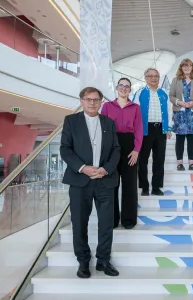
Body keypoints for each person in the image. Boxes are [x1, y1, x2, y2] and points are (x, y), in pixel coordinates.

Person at [60, 87, 121, 279]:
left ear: (101, 101)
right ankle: (83, 261)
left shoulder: (109, 123)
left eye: (96, 99)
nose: (92, 103)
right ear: (81, 101)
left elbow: (116, 150)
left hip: (105, 180)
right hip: (80, 180)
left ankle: (103, 260)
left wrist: (106, 169)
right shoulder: (71, 121)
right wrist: (83, 167)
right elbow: (65, 149)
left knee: (106, 224)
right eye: (88, 99)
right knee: (79, 223)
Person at [100, 78, 143, 229]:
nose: (124, 88)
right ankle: (112, 219)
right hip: (111, 145)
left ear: (130, 89)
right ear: (117, 88)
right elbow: (102, 128)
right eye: (121, 85)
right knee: (111, 183)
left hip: (129, 145)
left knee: (130, 183)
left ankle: (129, 220)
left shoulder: (135, 108)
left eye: (127, 86)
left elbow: (139, 129)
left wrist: (137, 150)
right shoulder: (106, 106)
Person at [133, 67, 173, 196]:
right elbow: (135, 112)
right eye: (150, 76)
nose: (153, 78)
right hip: (145, 130)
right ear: (145, 78)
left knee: (159, 159)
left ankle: (156, 187)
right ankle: (144, 187)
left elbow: (169, 111)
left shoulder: (164, 93)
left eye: (156, 76)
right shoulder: (140, 93)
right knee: (143, 159)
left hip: (160, 129)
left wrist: (169, 128)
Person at [169, 58, 193, 171]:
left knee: (191, 139)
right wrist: (179, 102)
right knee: (180, 138)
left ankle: (192, 163)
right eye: (184, 66)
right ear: (181, 68)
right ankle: (179, 163)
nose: (186, 67)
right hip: (179, 113)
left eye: (188, 65)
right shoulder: (176, 80)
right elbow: (171, 96)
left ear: (192, 67)